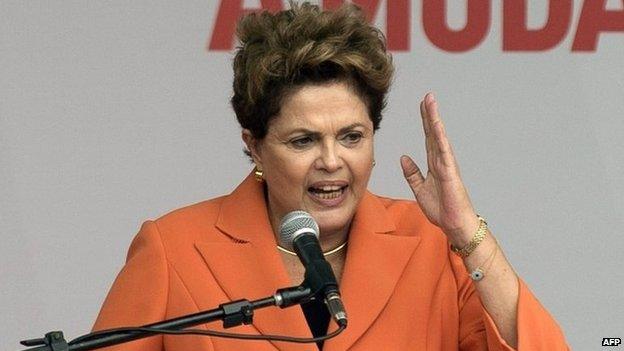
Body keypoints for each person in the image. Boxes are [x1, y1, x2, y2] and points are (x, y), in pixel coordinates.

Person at [93, 2, 569, 350]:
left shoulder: (433, 243)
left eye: (352, 136)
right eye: (303, 140)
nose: (331, 160)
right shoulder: (175, 248)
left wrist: (469, 235)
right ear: (253, 144)